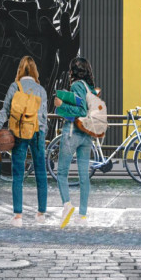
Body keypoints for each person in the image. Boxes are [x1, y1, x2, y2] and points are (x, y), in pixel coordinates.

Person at [0, 56, 48, 227]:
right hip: (37, 133)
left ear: (20, 71)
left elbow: (5, 110)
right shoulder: (41, 90)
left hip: (18, 133)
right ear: (35, 71)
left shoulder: (15, 87)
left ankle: (18, 216)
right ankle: (41, 214)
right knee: (41, 173)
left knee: (18, 175)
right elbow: (43, 116)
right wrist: (41, 133)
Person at [54, 57, 97, 229]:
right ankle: (83, 215)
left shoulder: (76, 86)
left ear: (73, 71)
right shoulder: (90, 89)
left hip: (72, 132)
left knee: (62, 172)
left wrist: (61, 104)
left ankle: (67, 205)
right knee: (83, 176)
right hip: (87, 135)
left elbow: (80, 110)